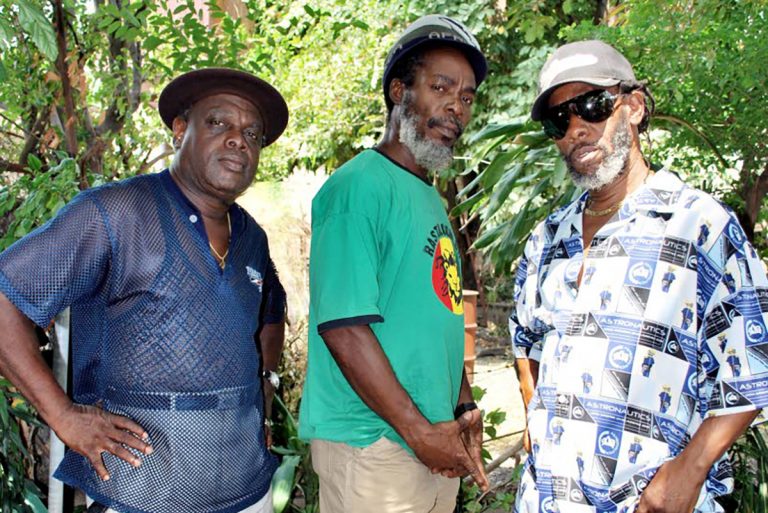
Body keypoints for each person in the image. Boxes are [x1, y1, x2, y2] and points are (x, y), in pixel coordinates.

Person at [0, 68, 289, 513]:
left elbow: (269, 316)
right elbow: (5, 299)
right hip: (140, 492)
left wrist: (264, 393)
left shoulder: (252, 236)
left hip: (247, 489)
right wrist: (63, 416)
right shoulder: (115, 213)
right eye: (218, 123)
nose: (238, 140)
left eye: (252, 133)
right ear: (180, 130)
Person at [509, 40, 768, 513]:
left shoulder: (698, 225)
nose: (576, 129)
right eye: (558, 120)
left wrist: (689, 471)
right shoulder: (546, 238)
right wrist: (536, 421)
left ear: (633, 107)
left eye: (591, 105)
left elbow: (755, 356)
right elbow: (525, 339)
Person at [298, 14, 490, 513]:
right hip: (374, 445)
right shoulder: (358, 187)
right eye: (441, 87)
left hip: (431, 439)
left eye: (467, 97)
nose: (456, 106)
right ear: (399, 92)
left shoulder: (428, 198)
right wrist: (418, 432)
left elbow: (440, 312)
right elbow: (343, 328)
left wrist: (462, 405)